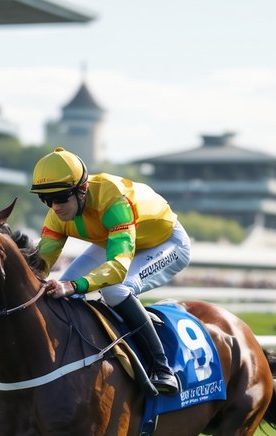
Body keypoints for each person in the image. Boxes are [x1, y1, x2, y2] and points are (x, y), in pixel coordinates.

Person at [32, 147, 191, 395]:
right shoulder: (57, 215)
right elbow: (39, 266)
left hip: (166, 243)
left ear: (82, 189)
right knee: (61, 293)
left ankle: (162, 368)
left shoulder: (113, 201)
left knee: (115, 289)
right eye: (46, 199)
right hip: (112, 239)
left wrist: (74, 286)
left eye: (61, 197)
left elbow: (117, 268)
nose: (55, 207)